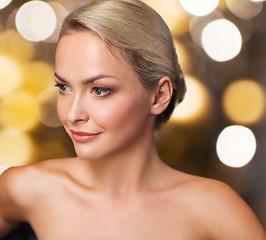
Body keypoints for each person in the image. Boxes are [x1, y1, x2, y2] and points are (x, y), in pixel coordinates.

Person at [0, 0, 265, 239]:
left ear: (159, 95)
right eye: (64, 87)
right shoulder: (25, 189)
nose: (72, 114)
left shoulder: (213, 208)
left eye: (100, 90)